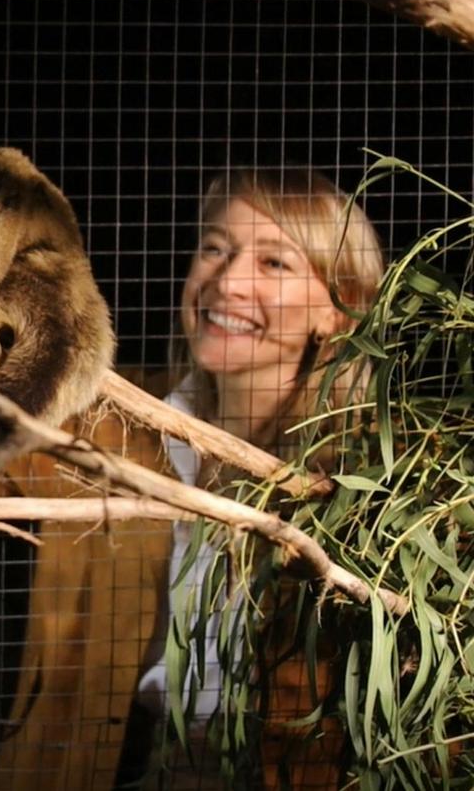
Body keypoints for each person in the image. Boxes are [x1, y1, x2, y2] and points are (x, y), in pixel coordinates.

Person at [123, 166, 385, 788]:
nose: (228, 282)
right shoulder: (116, 423)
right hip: (128, 762)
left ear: (337, 312)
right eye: (215, 248)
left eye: (274, 264)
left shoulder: (374, 477)